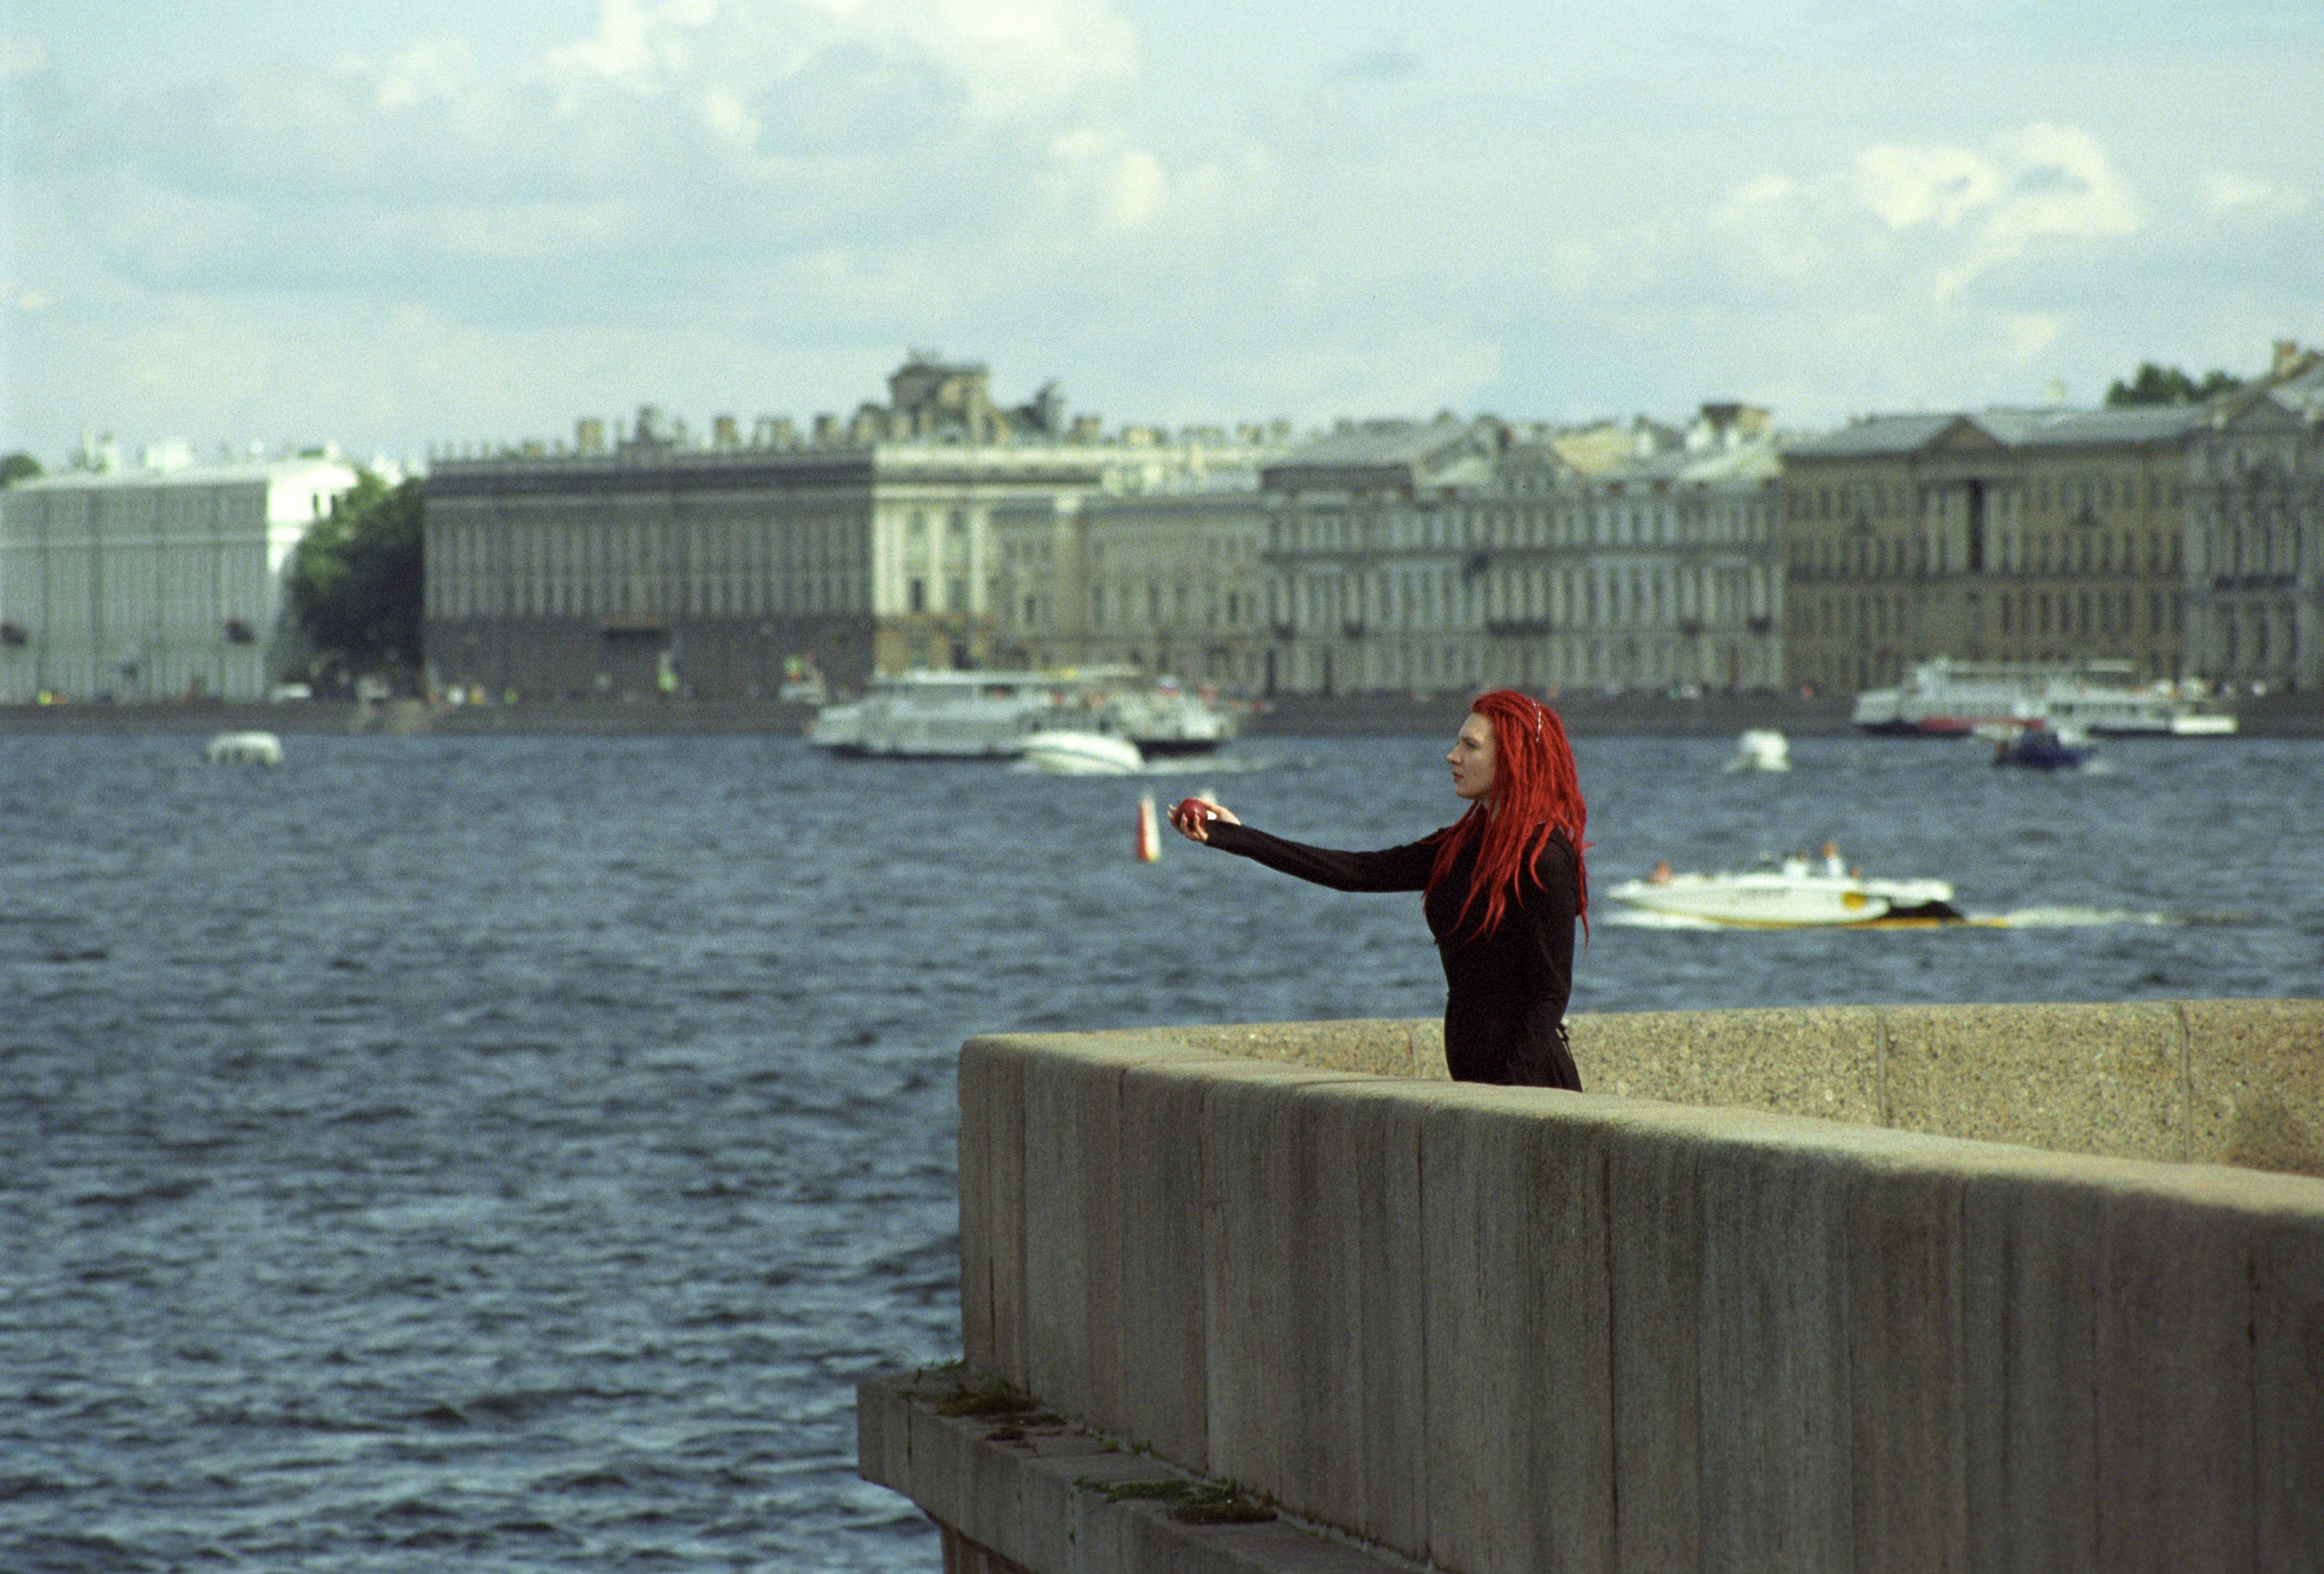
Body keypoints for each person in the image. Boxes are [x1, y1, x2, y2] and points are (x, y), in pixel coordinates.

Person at [1168, 689, 1589, 1089]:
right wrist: (1235, 837)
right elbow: (1354, 871)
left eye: (1470, 746)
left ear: (1514, 757)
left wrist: (1505, 1096)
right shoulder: (1459, 846)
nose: (1452, 755)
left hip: (1531, 1084)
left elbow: (1550, 991)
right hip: (1474, 1081)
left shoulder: (1544, 859)